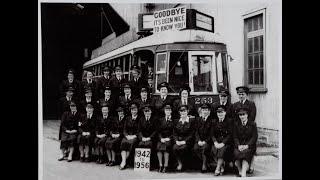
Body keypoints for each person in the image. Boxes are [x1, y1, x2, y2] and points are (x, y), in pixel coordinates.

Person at [231, 86, 257, 173]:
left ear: (246, 94)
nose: (241, 96)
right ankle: (240, 166)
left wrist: (245, 125)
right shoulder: (235, 105)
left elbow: (252, 117)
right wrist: (238, 126)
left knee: (250, 147)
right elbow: (234, 118)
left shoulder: (251, 104)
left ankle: (250, 164)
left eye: (242, 94)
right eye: (239, 94)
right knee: (237, 148)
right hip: (238, 130)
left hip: (248, 130)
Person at [233, 107, 258, 177]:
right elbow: (235, 137)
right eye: (240, 115)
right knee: (236, 155)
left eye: (243, 114)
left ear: (247, 115)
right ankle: (240, 170)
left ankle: (243, 174)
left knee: (245, 156)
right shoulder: (236, 124)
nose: (242, 116)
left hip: (249, 146)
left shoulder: (252, 124)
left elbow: (254, 137)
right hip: (239, 145)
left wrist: (247, 145)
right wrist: (238, 145)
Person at [172, 105, 197, 171]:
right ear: (179, 112)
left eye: (184, 111)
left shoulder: (191, 121)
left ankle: (185, 164)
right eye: (181, 111)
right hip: (178, 140)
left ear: (187, 111)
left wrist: (185, 141)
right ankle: (179, 163)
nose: (183, 112)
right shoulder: (176, 121)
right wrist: (176, 140)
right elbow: (174, 133)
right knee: (175, 148)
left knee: (184, 148)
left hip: (188, 141)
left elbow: (192, 133)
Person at [211, 105, 233, 176]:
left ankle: (217, 168)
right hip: (217, 142)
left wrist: (223, 143)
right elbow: (212, 134)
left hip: (226, 143)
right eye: (218, 112)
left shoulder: (229, 121)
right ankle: (222, 166)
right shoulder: (214, 121)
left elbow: (230, 134)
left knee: (222, 150)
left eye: (221, 112)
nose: (220, 114)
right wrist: (215, 142)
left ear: (225, 113)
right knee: (213, 149)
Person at [119, 102, 141, 170]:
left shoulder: (140, 118)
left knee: (130, 143)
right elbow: (124, 129)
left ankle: (124, 161)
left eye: (135, 110)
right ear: (130, 111)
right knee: (123, 142)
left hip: (135, 136)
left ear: (137, 110)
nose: (133, 111)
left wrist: (134, 136)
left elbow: (139, 130)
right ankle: (124, 161)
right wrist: (126, 135)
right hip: (127, 136)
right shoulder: (127, 118)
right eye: (132, 110)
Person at [193, 103, 213, 173]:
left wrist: (205, 141)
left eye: (206, 110)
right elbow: (196, 132)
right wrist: (198, 140)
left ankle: (204, 165)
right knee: (195, 148)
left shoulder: (211, 121)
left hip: (207, 141)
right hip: (199, 140)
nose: (204, 111)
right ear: (201, 111)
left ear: (208, 111)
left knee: (205, 149)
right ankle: (205, 162)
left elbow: (211, 134)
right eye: (203, 110)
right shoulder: (198, 120)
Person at [156, 104, 175, 173]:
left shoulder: (174, 120)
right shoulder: (161, 120)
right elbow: (158, 131)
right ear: (164, 111)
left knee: (166, 147)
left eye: (169, 110)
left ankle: (165, 166)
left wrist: (169, 138)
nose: (168, 111)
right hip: (162, 138)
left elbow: (174, 132)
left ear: (171, 111)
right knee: (159, 147)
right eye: (166, 110)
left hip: (169, 138)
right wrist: (161, 138)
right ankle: (160, 165)